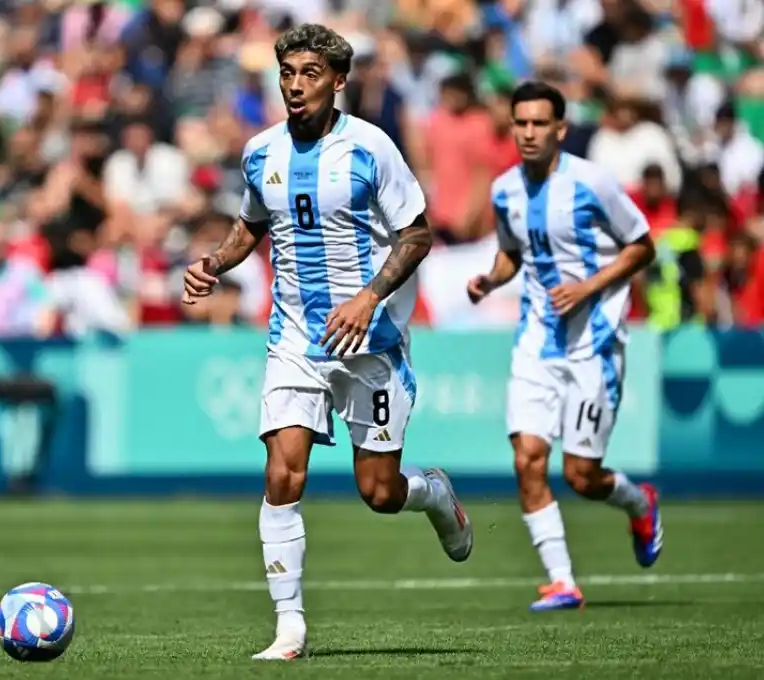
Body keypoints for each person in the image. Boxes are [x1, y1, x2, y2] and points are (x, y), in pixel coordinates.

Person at [181, 24, 473, 660]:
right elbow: (250, 224)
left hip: (372, 342)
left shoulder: (371, 147)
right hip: (294, 337)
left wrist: (368, 298)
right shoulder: (261, 152)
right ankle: (290, 627)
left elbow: (416, 235)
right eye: (287, 72)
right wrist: (216, 263)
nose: (294, 84)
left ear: (338, 81)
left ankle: (433, 494)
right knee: (282, 475)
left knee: (379, 493)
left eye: (309, 73)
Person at [466, 81, 664, 612]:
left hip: (594, 342)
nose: (528, 133)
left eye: (538, 124)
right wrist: (490, 279)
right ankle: (562, 582)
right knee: (528, 458)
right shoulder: (505, 189)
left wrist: (588, 287)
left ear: (560, 128)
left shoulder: (592, 182)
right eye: (520, 123)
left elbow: (642, 246)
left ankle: (638, 502)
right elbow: (512, 253)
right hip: (536, 341)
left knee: (582, 475)